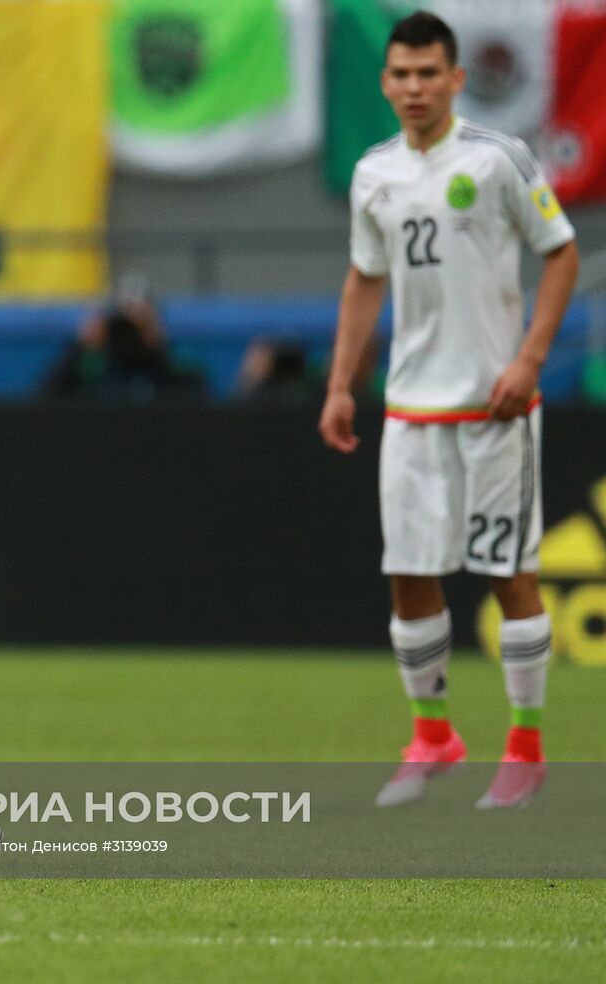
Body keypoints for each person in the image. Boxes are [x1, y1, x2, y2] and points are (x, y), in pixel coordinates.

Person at [318, 11, 579, 809]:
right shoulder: (374, 173)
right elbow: (366, 277)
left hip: (496, 407)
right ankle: (434, 735)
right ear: (387, 81)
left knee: (509, 572)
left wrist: (529, 357)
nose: (414, 87)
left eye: (429, 73)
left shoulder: (499, 159)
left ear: (456, 79)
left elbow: (561, 251)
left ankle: (526, 749)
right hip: (410, 408)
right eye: (400, 74)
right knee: (408, 574)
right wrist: (339, 384)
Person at [45, 274, 202, 400]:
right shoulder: (89, 363)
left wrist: (157, 351)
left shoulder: (177, 364)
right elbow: (44, 401)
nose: (129, 332)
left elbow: (196, 403)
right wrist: (81, 348)